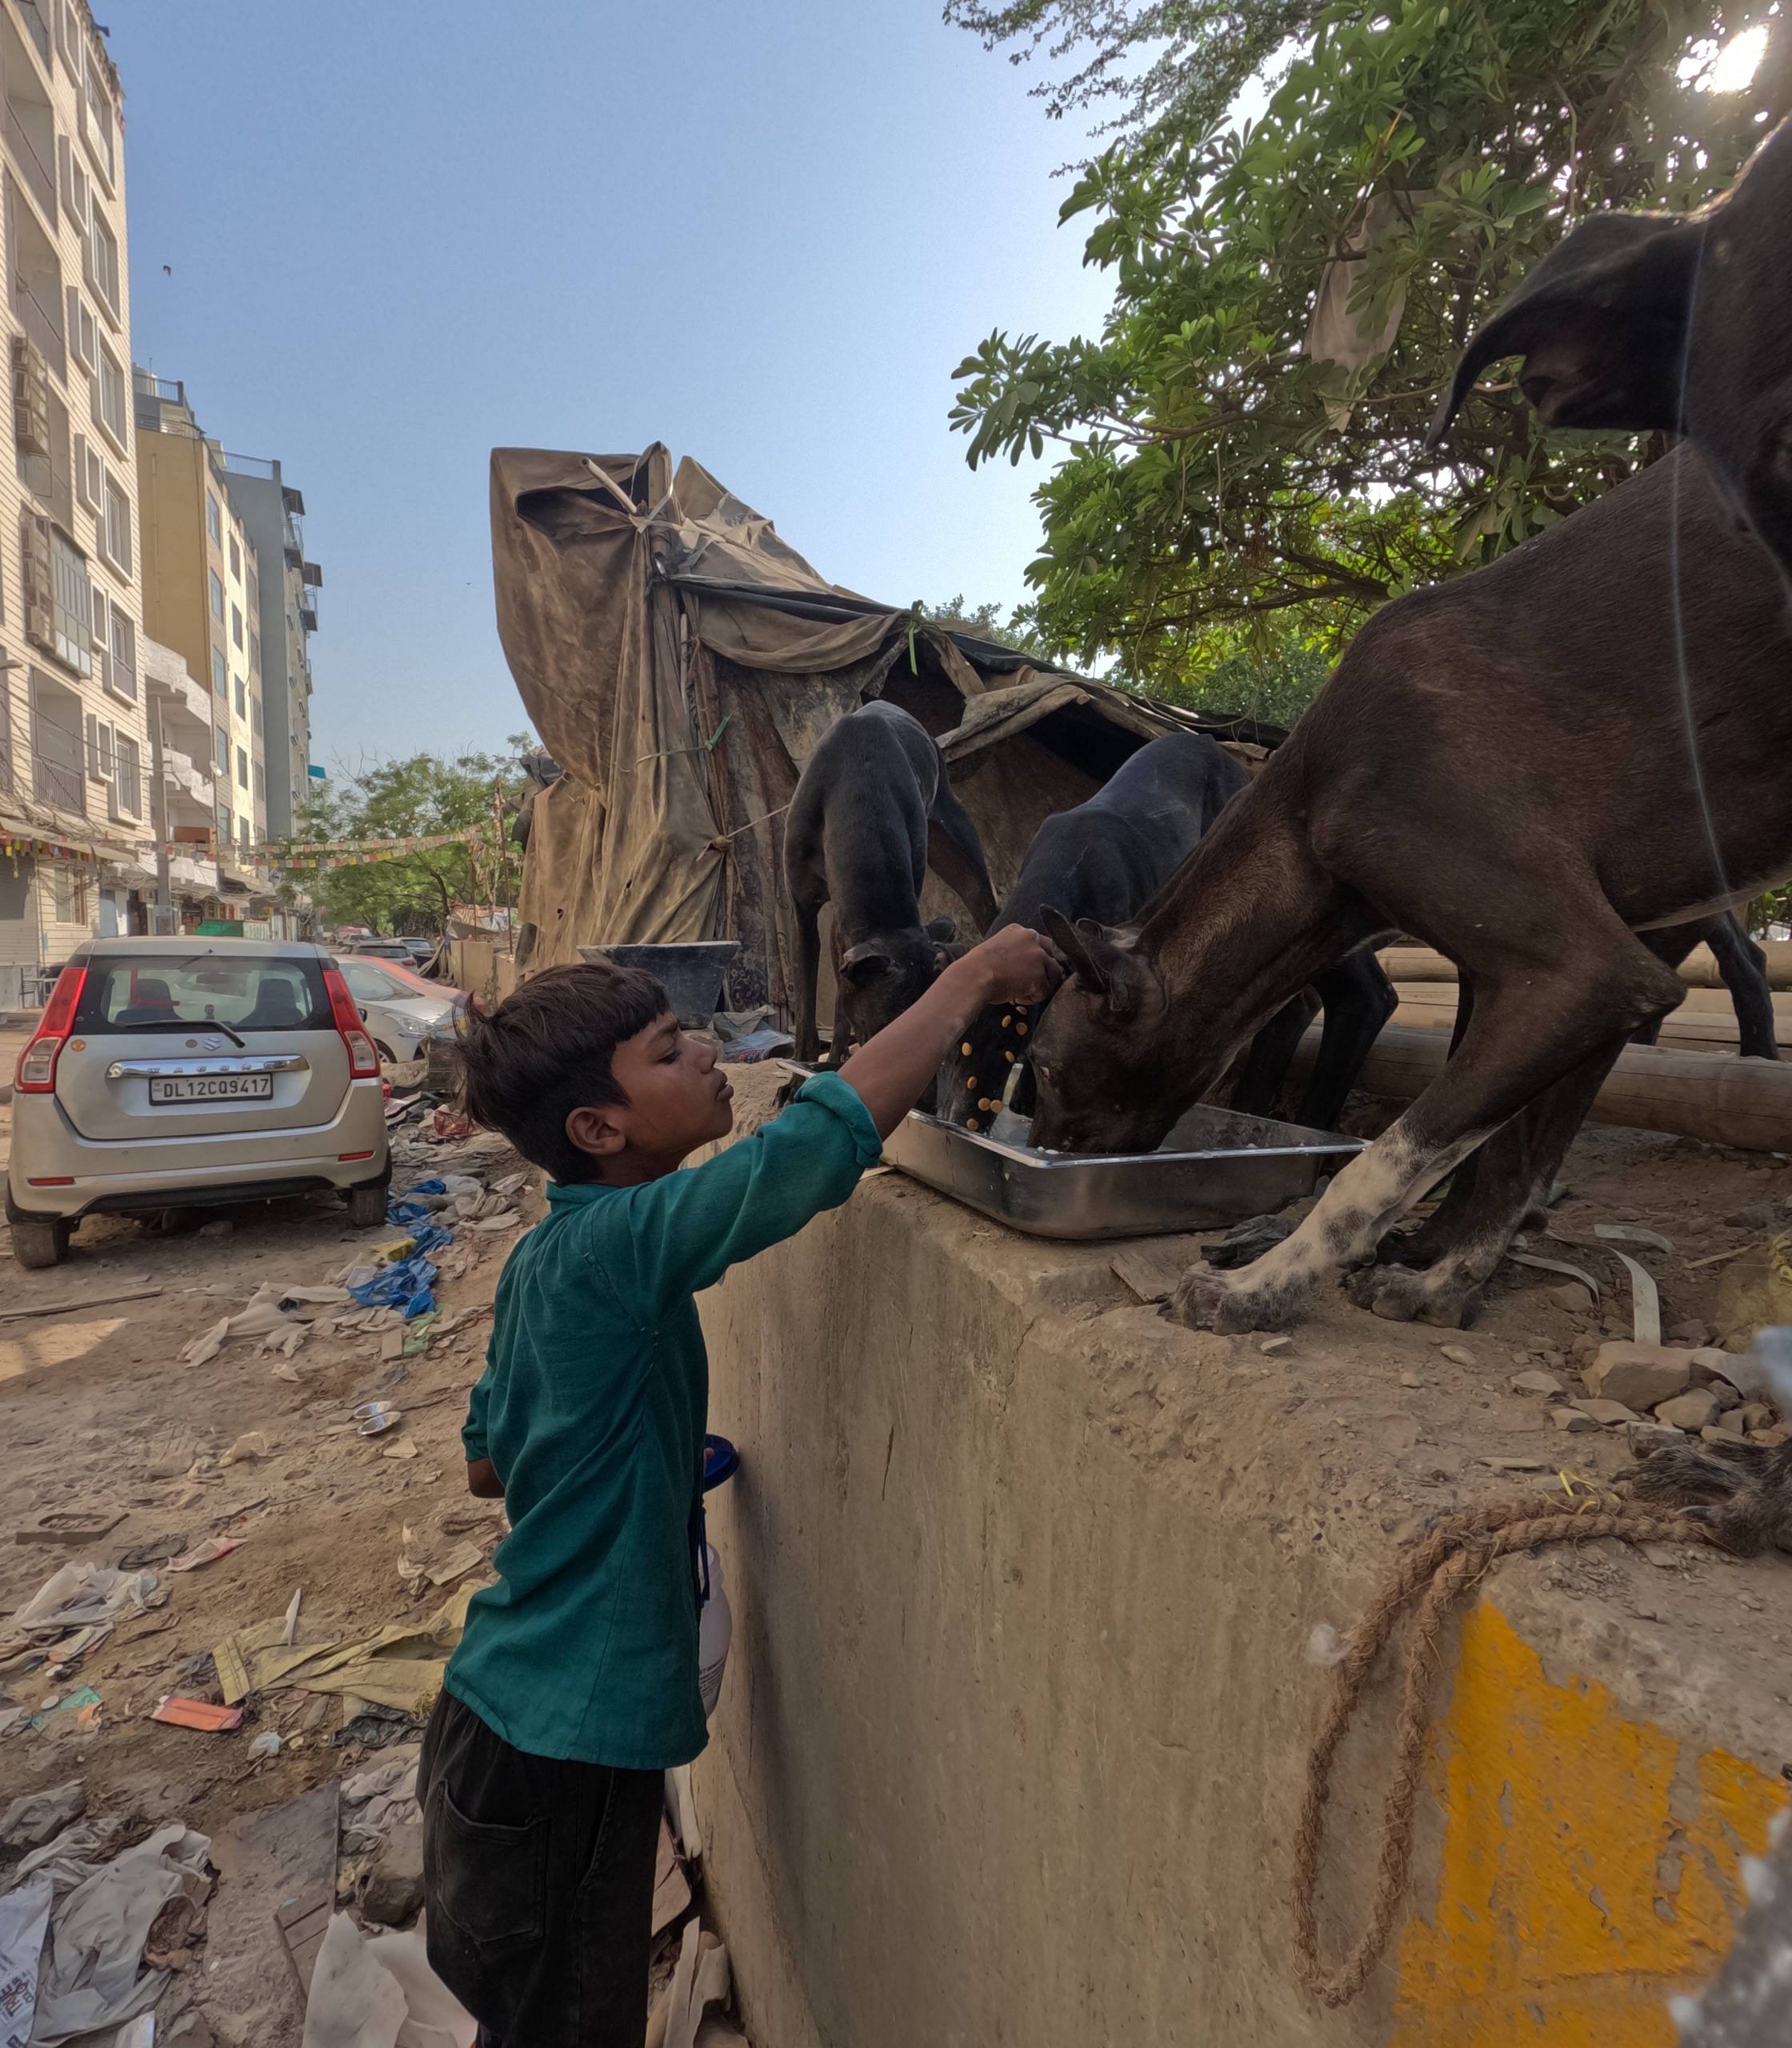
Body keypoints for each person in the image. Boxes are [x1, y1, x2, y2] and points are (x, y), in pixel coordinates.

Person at [418, 926, 1062, 2046]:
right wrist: (971, 981)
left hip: (501, 1729)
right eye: (671, 1054)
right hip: (562, 1754)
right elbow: (802, 1160)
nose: (712, 1055)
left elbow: (488, 1465)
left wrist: (643, 1453)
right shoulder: (622, 1248)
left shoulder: (546, 1259)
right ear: (598, 1129)